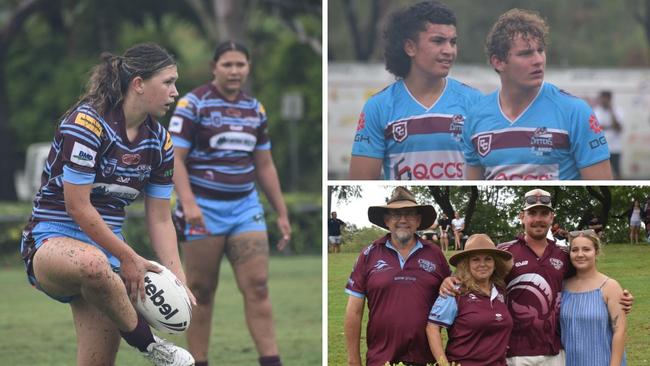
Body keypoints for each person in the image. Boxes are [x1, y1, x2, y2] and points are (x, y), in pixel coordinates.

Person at [19, 43, 195, 366]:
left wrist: (177, 278)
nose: (175, 92)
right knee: (94, 264)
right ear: (139, 84)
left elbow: (159, 219)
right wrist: (129, 257)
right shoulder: (88, 124)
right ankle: (150, 346)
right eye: (168, 82)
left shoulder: (160, 142)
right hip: (50, 240)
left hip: (109, 254)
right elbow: (78, 207)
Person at [170, 41, 291, 366]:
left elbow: (264, 165)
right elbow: (175, 160)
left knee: (258, 286)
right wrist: (189, 203)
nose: (235, 71)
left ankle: (271, 360)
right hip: (203, 209)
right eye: (228, 64)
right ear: (214, 67)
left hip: (244, 209)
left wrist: (280, 211)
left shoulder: (255, 109)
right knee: (201, 290)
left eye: (241, 64)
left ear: (249, 67)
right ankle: (198, 361)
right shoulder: (192, 104)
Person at [440, 188, 633, 365]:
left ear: (552, 218)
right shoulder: (504, 252)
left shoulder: (563, 254)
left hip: (554, 351)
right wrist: (449, 280)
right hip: (513, 352)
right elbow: (474, 273)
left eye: (544, 213)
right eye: (532, 213)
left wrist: (618, 297)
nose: (538, 219)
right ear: (522, 216)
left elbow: (587, 279)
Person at [462, 9, 612, 180]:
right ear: (498, 62)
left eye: (540, 50)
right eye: (526, 53)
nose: (538, 60)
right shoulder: (475, 117)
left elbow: (603, 188)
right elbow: (473, 190)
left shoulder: (575, 111)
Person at [349, 1, 482, 180]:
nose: (449, 50)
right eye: (438, 41)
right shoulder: (378, 106)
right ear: (410, 47)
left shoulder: (475, 102)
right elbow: (361, 182)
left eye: (453, 42)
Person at [344, 187, 451, 366]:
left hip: (425, 359)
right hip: (381, 359)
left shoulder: (435, 253)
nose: (403, 220)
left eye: (409, 214)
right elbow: (354, 311)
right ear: (386, 220)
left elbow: (451, 295)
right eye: (396, 214)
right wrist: (354, 360)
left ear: (418, 220)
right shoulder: (369, 254)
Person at [427, 234, 513, 366]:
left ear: (495, 263)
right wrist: (443, 364)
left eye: (488, 259)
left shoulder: (500, 291)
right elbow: (432, 328)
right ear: (466, 264)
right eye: (475, 259)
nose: (482, 264)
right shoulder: (455, 291)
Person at [561, 229, 627, 365]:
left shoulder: (610, 286)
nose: (580, 254)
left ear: (596, 252)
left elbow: (619, 331)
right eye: (574, 250)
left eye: (586, 249)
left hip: (601, 360)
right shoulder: (562, 286)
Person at [593, 90, 623, 178]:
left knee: (617, 172)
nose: (604, 100)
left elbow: (618, 128)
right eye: (603, 98)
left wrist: (611, 110)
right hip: (600, 148)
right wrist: (610, 126)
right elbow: (594, 129)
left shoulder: (618, 110)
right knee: (601, 174)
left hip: (615, 148)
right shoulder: (596, 111)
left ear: (610, 99)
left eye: (606, 98)